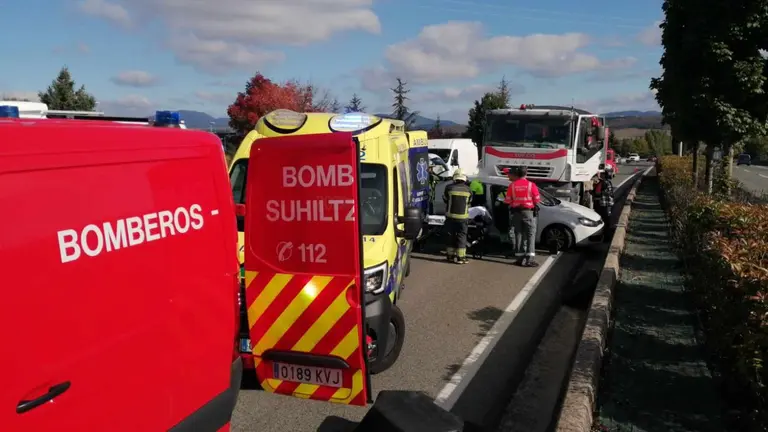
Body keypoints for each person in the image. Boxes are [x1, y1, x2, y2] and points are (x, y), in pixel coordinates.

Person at [504, 166, 541, 267]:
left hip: (516, 213)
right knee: (530, 235)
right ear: (526, 173)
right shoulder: (531, 185)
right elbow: (537, 200)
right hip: (528, 212)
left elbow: (507, 201)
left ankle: (519, 259)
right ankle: (529, 260)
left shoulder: (512, 186)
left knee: (518, 234)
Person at [443, 169, 473, 264]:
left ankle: (450, 256)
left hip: (450, 217)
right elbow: (470, 202)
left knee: (450, 235)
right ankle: (461, 257)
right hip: (463, 218)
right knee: (461, 236)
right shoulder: (468, 189)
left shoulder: (449, 188)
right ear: (464, 179)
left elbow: (445, 199)